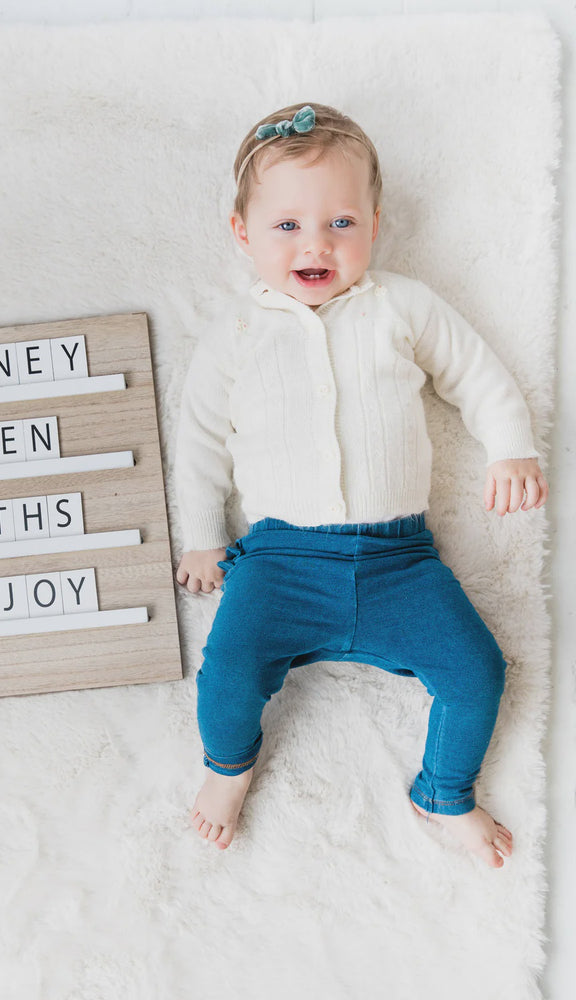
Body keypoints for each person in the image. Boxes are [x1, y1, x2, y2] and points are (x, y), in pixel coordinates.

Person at [175, 102, 548, 867]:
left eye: (341, 223)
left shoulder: (401, 307)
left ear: (374, 224)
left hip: (399, 562)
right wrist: (204, 539)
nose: (316, 243)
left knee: (479, 671)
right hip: (279, 563)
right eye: (287, 227)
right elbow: (200, 444)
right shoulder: (234, 338)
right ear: (242, 234)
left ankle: (444, 789)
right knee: (228, 673)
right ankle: (227, 770)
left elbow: (475, 374)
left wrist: (511, 446)